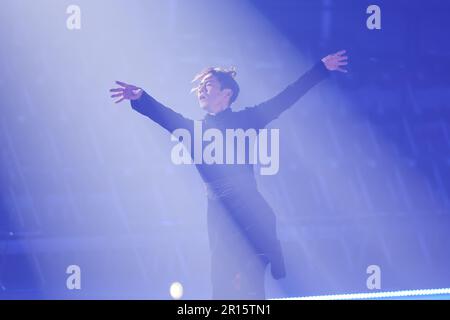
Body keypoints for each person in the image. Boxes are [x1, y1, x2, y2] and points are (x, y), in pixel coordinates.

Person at [110, 50, 348, 299]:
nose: (201, 89)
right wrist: (141, 97)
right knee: (223, 285)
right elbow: (164, 116)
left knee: (251, 281)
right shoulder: (194, 131)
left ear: (226, 94)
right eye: (200, 86)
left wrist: (320, 69)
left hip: (249, 210)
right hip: (219, 215)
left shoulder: (247, 120)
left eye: (208, 84)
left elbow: (285, 99)